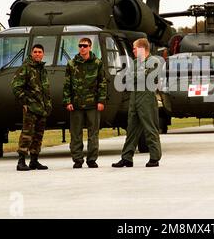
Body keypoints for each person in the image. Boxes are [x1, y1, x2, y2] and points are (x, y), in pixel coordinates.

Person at [112, 38, 162, 168]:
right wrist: (140, 74)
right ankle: (127, 157)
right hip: (134, 99)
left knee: (150, 128)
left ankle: (154, 157)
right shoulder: (134, 63)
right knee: (131, 130)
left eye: (134, 48)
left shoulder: (154, 62)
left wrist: (137, 75)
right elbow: (127, 80)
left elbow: (150, 79)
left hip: (147, 99)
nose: (133, 50)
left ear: (141, 48)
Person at [63, 37, 106, 169]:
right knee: (76, 133)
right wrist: (67, 101)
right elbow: (67, 84)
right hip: (76, 104)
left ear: (90, 47)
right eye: (80, 46)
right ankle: (77, 160)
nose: (82, 48)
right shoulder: (71, 64)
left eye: (85, 46)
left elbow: (102, 83)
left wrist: (101, 101)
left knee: (93, 133)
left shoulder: (97, 63)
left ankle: (92, 159)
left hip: (93, 104)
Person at [11, 44, 52, 171]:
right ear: (32, 53)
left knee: (38, 136)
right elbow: (16, 86)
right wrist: (25, 101)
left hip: (42, 108)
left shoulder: (42, 69)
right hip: (31, 108)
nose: (38, 54)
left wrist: (48, 105)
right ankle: (21, 161)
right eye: (35, 52)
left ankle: (34, 160)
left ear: (43, 54)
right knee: (27, 135)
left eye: (40, 52)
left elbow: (45, 89)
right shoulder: (26, 68)